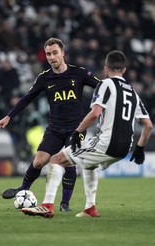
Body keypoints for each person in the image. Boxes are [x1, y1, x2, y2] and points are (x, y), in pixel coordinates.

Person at [22, 50, 153, 218]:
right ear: (124, 70)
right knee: (88, 164)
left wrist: (78, 131)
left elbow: (94, 114)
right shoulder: (132, 91)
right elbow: (148, 125)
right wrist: (140, 149)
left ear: (106, 69)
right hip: (125, 148)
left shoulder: (105, 85)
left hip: (106, 143)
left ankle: (47, 205)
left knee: (56, 159)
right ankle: (90, 208)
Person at [0, 37, 100, 211]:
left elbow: (101, 86)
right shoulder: (44, 78)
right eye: (48, 54)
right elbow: (27, 98)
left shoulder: (79, 73)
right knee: (38, 162)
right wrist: (9, 116)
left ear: (62, 53)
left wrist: (115, 94)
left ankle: (64, 204)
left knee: (68, 162)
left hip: (76, 128)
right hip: (54, 128)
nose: (52, 57)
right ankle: (23, 190)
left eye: (55, 53)